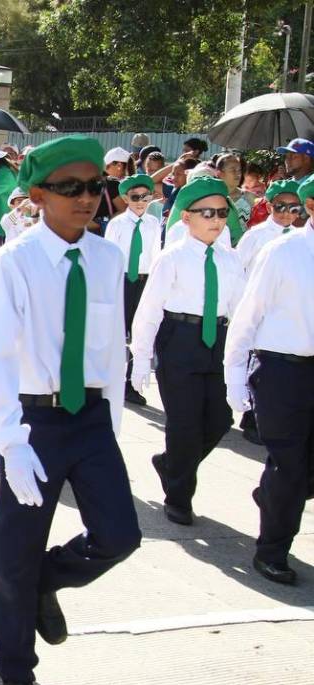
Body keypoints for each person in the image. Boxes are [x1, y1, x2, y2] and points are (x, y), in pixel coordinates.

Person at [0, 135, 142, 685]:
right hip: (35, 419)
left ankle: (46, 581)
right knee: (15, 551)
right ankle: (16, 674)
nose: (87, 198)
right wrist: (10, 442)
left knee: (120, 536)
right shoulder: (16, 259)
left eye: (95, 186)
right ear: (39, 194)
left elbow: (111, 351)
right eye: (70, 188)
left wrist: (114, 425)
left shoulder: (106, 258)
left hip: (92, 417)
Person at [130, 176, 246, 526]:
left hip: (218, 342)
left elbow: (240, 310)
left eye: (222, 212)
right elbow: (149, 311)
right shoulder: (172, 258)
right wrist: (140, 358)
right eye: (206, 212)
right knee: (184, 425)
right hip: (180, 339)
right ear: (186, 217)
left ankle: (171, 464)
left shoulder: (230, 259)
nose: (215, 219)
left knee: (219, 421)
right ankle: (179, 496)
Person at [224, 177, 314, 585]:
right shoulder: (284, 252)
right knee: (290, 466)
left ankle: (273, 496)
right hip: (283, 371)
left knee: (296, 475)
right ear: (310, 205)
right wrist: (235, 376)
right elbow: (247, 316)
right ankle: (272, 550)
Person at [104, 173, 161, 406]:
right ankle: (112, 380)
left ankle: (131, 384)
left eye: (145, 196)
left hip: (145, 281)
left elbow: (156, 254)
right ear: (126, 198)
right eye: (135, 196)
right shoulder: (117, 224)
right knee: (119, 333)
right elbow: (110, 258)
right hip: (123, 280)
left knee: (141, 332)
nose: (140, 201)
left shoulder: (153, 223)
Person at [236, 179, 302, 273]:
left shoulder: (300, 236)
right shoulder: (255, 235)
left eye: (293, 208)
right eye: (280, 207)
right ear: (269, 208)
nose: (287, 212)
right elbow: (236, 267)